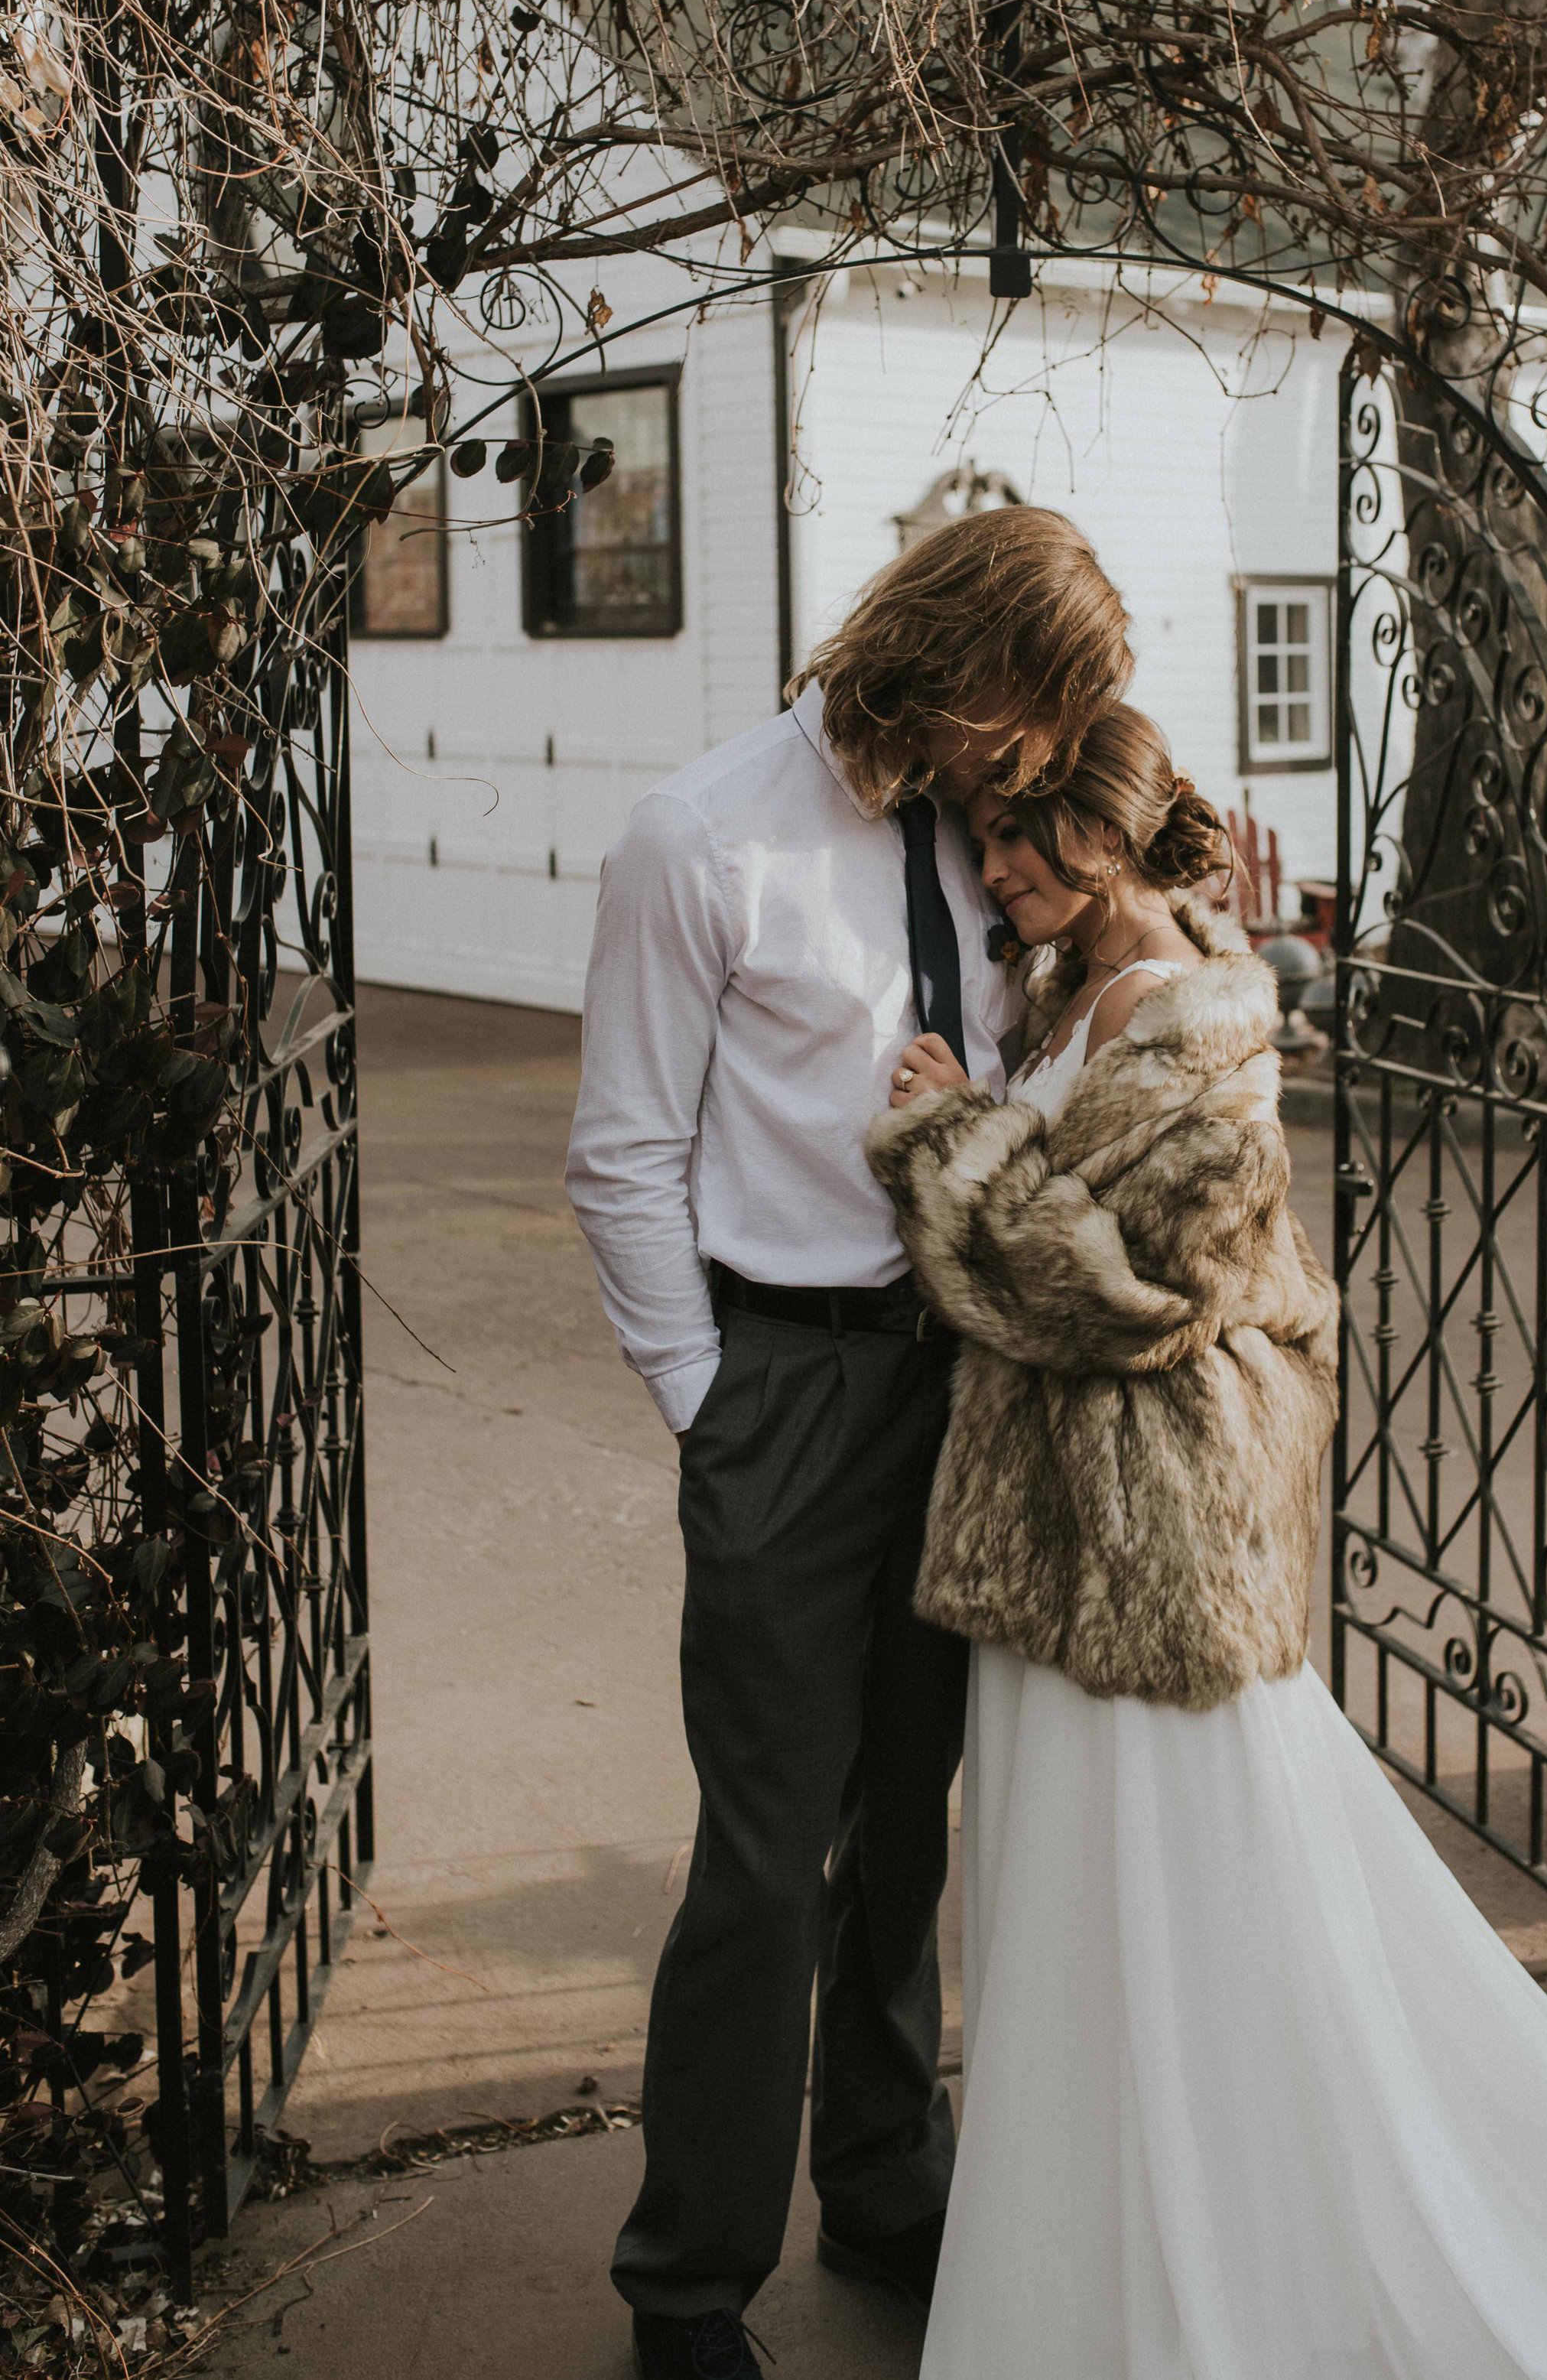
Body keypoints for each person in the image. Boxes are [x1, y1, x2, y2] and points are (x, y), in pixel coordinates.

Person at [871, 706, 1547, 2380]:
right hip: (1069, 1548)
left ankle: (1187, 2272)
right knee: (1084, 1928)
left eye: (1015, 834)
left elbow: (1114, 1292)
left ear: (1106, 830)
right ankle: (1090, 2269)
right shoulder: (1090, 984)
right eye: (983, 836)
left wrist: (940, 1136)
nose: (989, 868)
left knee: (1159, 1920)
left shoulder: (1187, 1012)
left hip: (1144, 1555)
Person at [564, 506, 1132, 2380]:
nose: (1027, 754)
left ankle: (886, 2183)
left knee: (906, 1827)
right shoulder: (700, 837)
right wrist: (710, 1401)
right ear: (950, 651)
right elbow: (623, 1155)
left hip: (958, 1378)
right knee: (762, 1845)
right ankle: (685, 2287)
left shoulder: (986, 836)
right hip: (787, 1388)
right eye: (1023, 710)